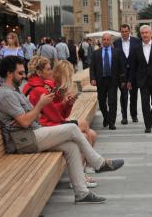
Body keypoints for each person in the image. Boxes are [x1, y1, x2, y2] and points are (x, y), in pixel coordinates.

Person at [0, 56, 124, 204]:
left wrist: (56, 105)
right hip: (24, 140)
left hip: (31, 133)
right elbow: (25, 121)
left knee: (72, 146)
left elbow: (31, 118)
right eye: (20, 73)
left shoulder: (14, 91)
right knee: (73, 128)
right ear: (9, 74)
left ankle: (81, 193)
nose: (24, 76)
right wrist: (40, 105)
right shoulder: (6, 94)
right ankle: (98, 163)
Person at [23, 57, 98, 186]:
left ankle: (83, 171)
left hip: (46, 125)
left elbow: (58, 113)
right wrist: (65, 103)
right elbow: (56, 117)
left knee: (90, 134)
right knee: (85, 131)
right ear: (39, 72)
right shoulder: (40, 89)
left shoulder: (40, 87)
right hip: (44, 128)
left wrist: (67, 104)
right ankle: (82, 174)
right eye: (48, 69)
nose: (51, 72)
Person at [128, 25, 152, 133]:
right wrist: (130, 80)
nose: (145, 35)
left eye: (146, 33)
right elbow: (133, 66)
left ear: (150, 34)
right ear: (140, 35)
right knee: (145, 103)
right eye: (143, 33)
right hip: (142, 80)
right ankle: (148, 125)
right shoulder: (136, 48)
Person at [90, 33, 126, 130]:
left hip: (113, 80)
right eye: (104, 39)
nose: (106, 41)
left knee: (112, 101)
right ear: (102, 40)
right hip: (101, 80)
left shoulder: (117, 52)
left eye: (107, 39)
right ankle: (106, 117)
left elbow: (122, 67)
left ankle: (111, 123)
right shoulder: (96, 53)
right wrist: (92, 78)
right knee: (101, 101)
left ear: (110, 41)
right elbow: (92, 67)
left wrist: (123, 80)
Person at [113, 24, 141, 124]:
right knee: (123, 95)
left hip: (134, 73)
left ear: (129, 31)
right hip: (122, 74)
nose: (124, 33)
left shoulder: (136, 41)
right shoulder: (116, 43)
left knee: (133, 95)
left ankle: (134, 115)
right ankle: (124, 116)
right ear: (120, 32)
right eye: (122, 32)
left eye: (126, 31)